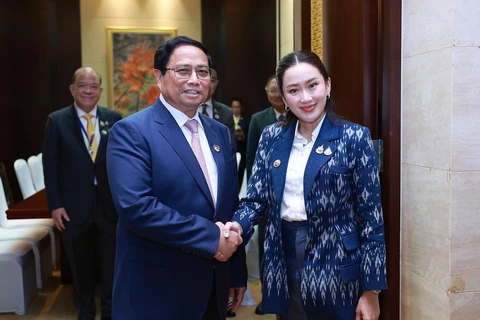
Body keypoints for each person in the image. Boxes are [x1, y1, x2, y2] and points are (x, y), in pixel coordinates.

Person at [226, 50, 388, 319]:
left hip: (339, 267)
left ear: (327, 85)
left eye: (312, 85)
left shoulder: (355, 138)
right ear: (284, 98)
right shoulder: (272, 136)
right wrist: (237, 225)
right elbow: (256, 199)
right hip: (282, 257)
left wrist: (372, 290)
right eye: (293, 90)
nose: (306, 97)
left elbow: (371, 218)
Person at [106, 35, 247, 320]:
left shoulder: (220, 132)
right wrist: (212, 238)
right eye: (183, 71)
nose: (194, 79)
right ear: (159, 77)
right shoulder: (132, 132)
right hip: (156, 291)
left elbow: (228, 204)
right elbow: (137, 209)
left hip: (213, 287)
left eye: (203, 71)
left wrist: (236, 272)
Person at [43, 67, 122, 320]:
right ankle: (86, 312)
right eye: (82, 85)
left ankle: (110, 313)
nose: (88, 90)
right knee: (80, 266)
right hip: (73, 208)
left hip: (109, 208)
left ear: (100, 90)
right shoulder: (56, 121)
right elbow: (50, 167)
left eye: (93, 86)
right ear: (72, 89)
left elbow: (123, 165)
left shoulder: (115, 118)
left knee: (111, 266)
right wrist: (55, 205)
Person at [245, 74, 286, 315]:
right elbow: (251, 158)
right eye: (272, 90)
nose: (276, 95)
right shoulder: (259, 120)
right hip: (267, 197)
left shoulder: (298, 116)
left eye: (280, 90)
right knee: (265, 247)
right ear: (267, 93)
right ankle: (267, 295)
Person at [199, 61, 236, 145]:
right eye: (204, 78)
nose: (208, 84)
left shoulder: (226, 112)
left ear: (216, 83)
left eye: (212, 80)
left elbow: (231, 145)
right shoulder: (185, 109)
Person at [230, 97, 250, 190]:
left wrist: (243, 134)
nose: (236, 109)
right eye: (234, 107)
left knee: (241, 173)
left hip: (243, 151)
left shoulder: (247, 119)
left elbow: (250, 134)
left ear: (241, 108)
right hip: (231, 150)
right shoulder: (228, 118)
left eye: (238, 107)